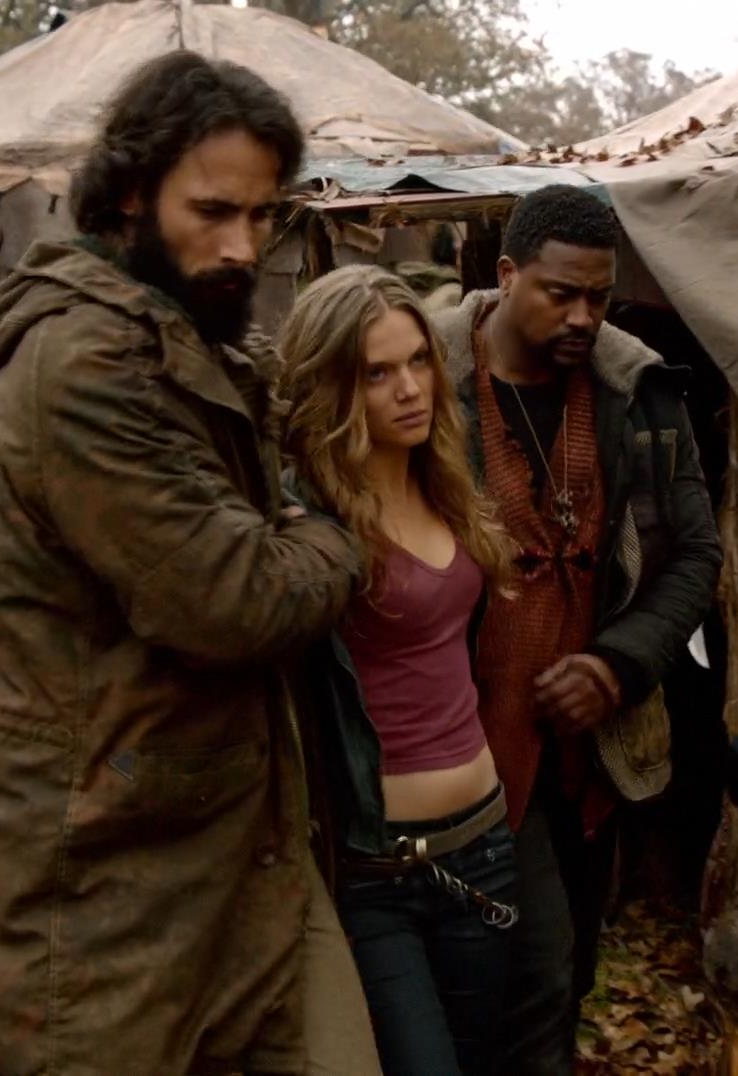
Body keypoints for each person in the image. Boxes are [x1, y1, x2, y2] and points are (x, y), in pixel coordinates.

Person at [0, 51, 380, 1075]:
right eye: (212, 211)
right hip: (93, 897)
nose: (242, 246)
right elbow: (235, 600)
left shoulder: (189, 337)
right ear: (130, 193)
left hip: (231, 851)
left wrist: (287, 530)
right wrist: (333, 537)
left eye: (261, 216)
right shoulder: (87, 362)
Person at [431, 185, 723, 1074]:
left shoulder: (638, 390)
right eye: (561, 294)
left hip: (586, 750)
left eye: (598, 297)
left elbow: (695, 554)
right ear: (507, 274)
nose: (583, 318)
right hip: (455, 743)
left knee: (565, 976)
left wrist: (618, 664)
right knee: (517, 973)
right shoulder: (423, 377)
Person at [279, 265, 517, 1075]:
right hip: (377, 869)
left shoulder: (445, 477)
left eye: (418, 360)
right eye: (376, 373)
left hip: (485, 843)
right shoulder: (308, 520)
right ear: (333, 387)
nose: (410, 389)